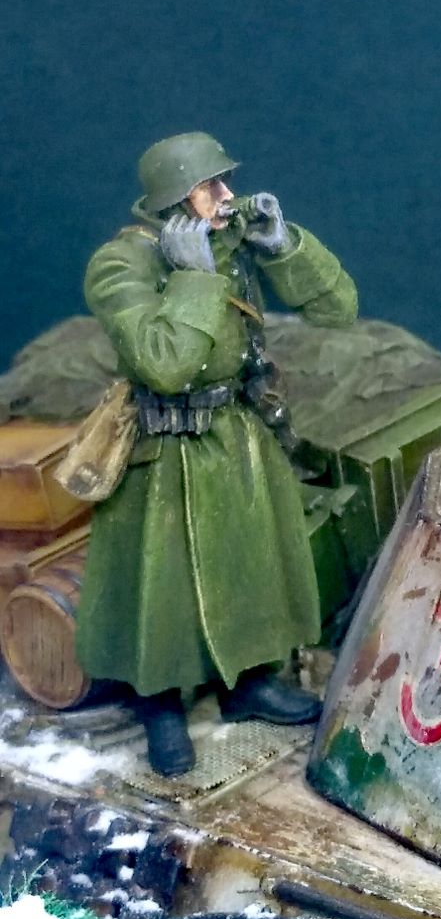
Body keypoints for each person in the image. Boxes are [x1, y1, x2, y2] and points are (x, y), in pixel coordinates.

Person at [78, 132, 358, 777]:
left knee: (252, 563)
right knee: (159, 585)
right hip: (163, 448)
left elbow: (339, 310)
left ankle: (249, 682)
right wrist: (196, 278)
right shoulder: (120, 265)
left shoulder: (226, 243)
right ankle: (159, 707)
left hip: (235, 430)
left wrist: (285, 246)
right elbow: (165, 364)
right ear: (176, 199)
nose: (227, 194)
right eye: (211, 185)